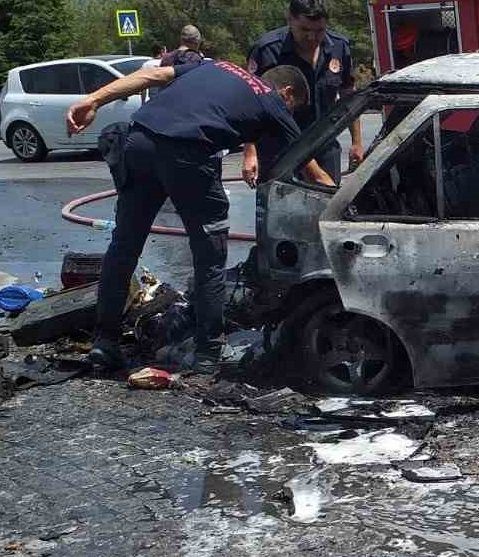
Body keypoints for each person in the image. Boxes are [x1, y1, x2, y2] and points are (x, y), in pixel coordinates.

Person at [63, 59, 305, 373]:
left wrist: (92, 100)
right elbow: (306, 158)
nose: (290, 111)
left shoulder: (217, 66)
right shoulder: (270, 99)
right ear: (287, 93)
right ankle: (207, 354)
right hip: (188, 155)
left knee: (123, 246)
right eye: (294, 106)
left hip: (138, 142)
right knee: (209, 257)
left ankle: (104, 342)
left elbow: (151, 75)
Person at [248, 0, 359, 179]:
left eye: (319, 31)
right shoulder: (267, 50)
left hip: (324, 147)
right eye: (304, 29)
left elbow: (349, 96)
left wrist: (357, 142)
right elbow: (251, 105)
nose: (312, 37)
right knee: (282, 208)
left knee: (328, 205)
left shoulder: (339, 47)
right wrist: (250, 152)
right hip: (279, 152)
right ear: (290, 19)